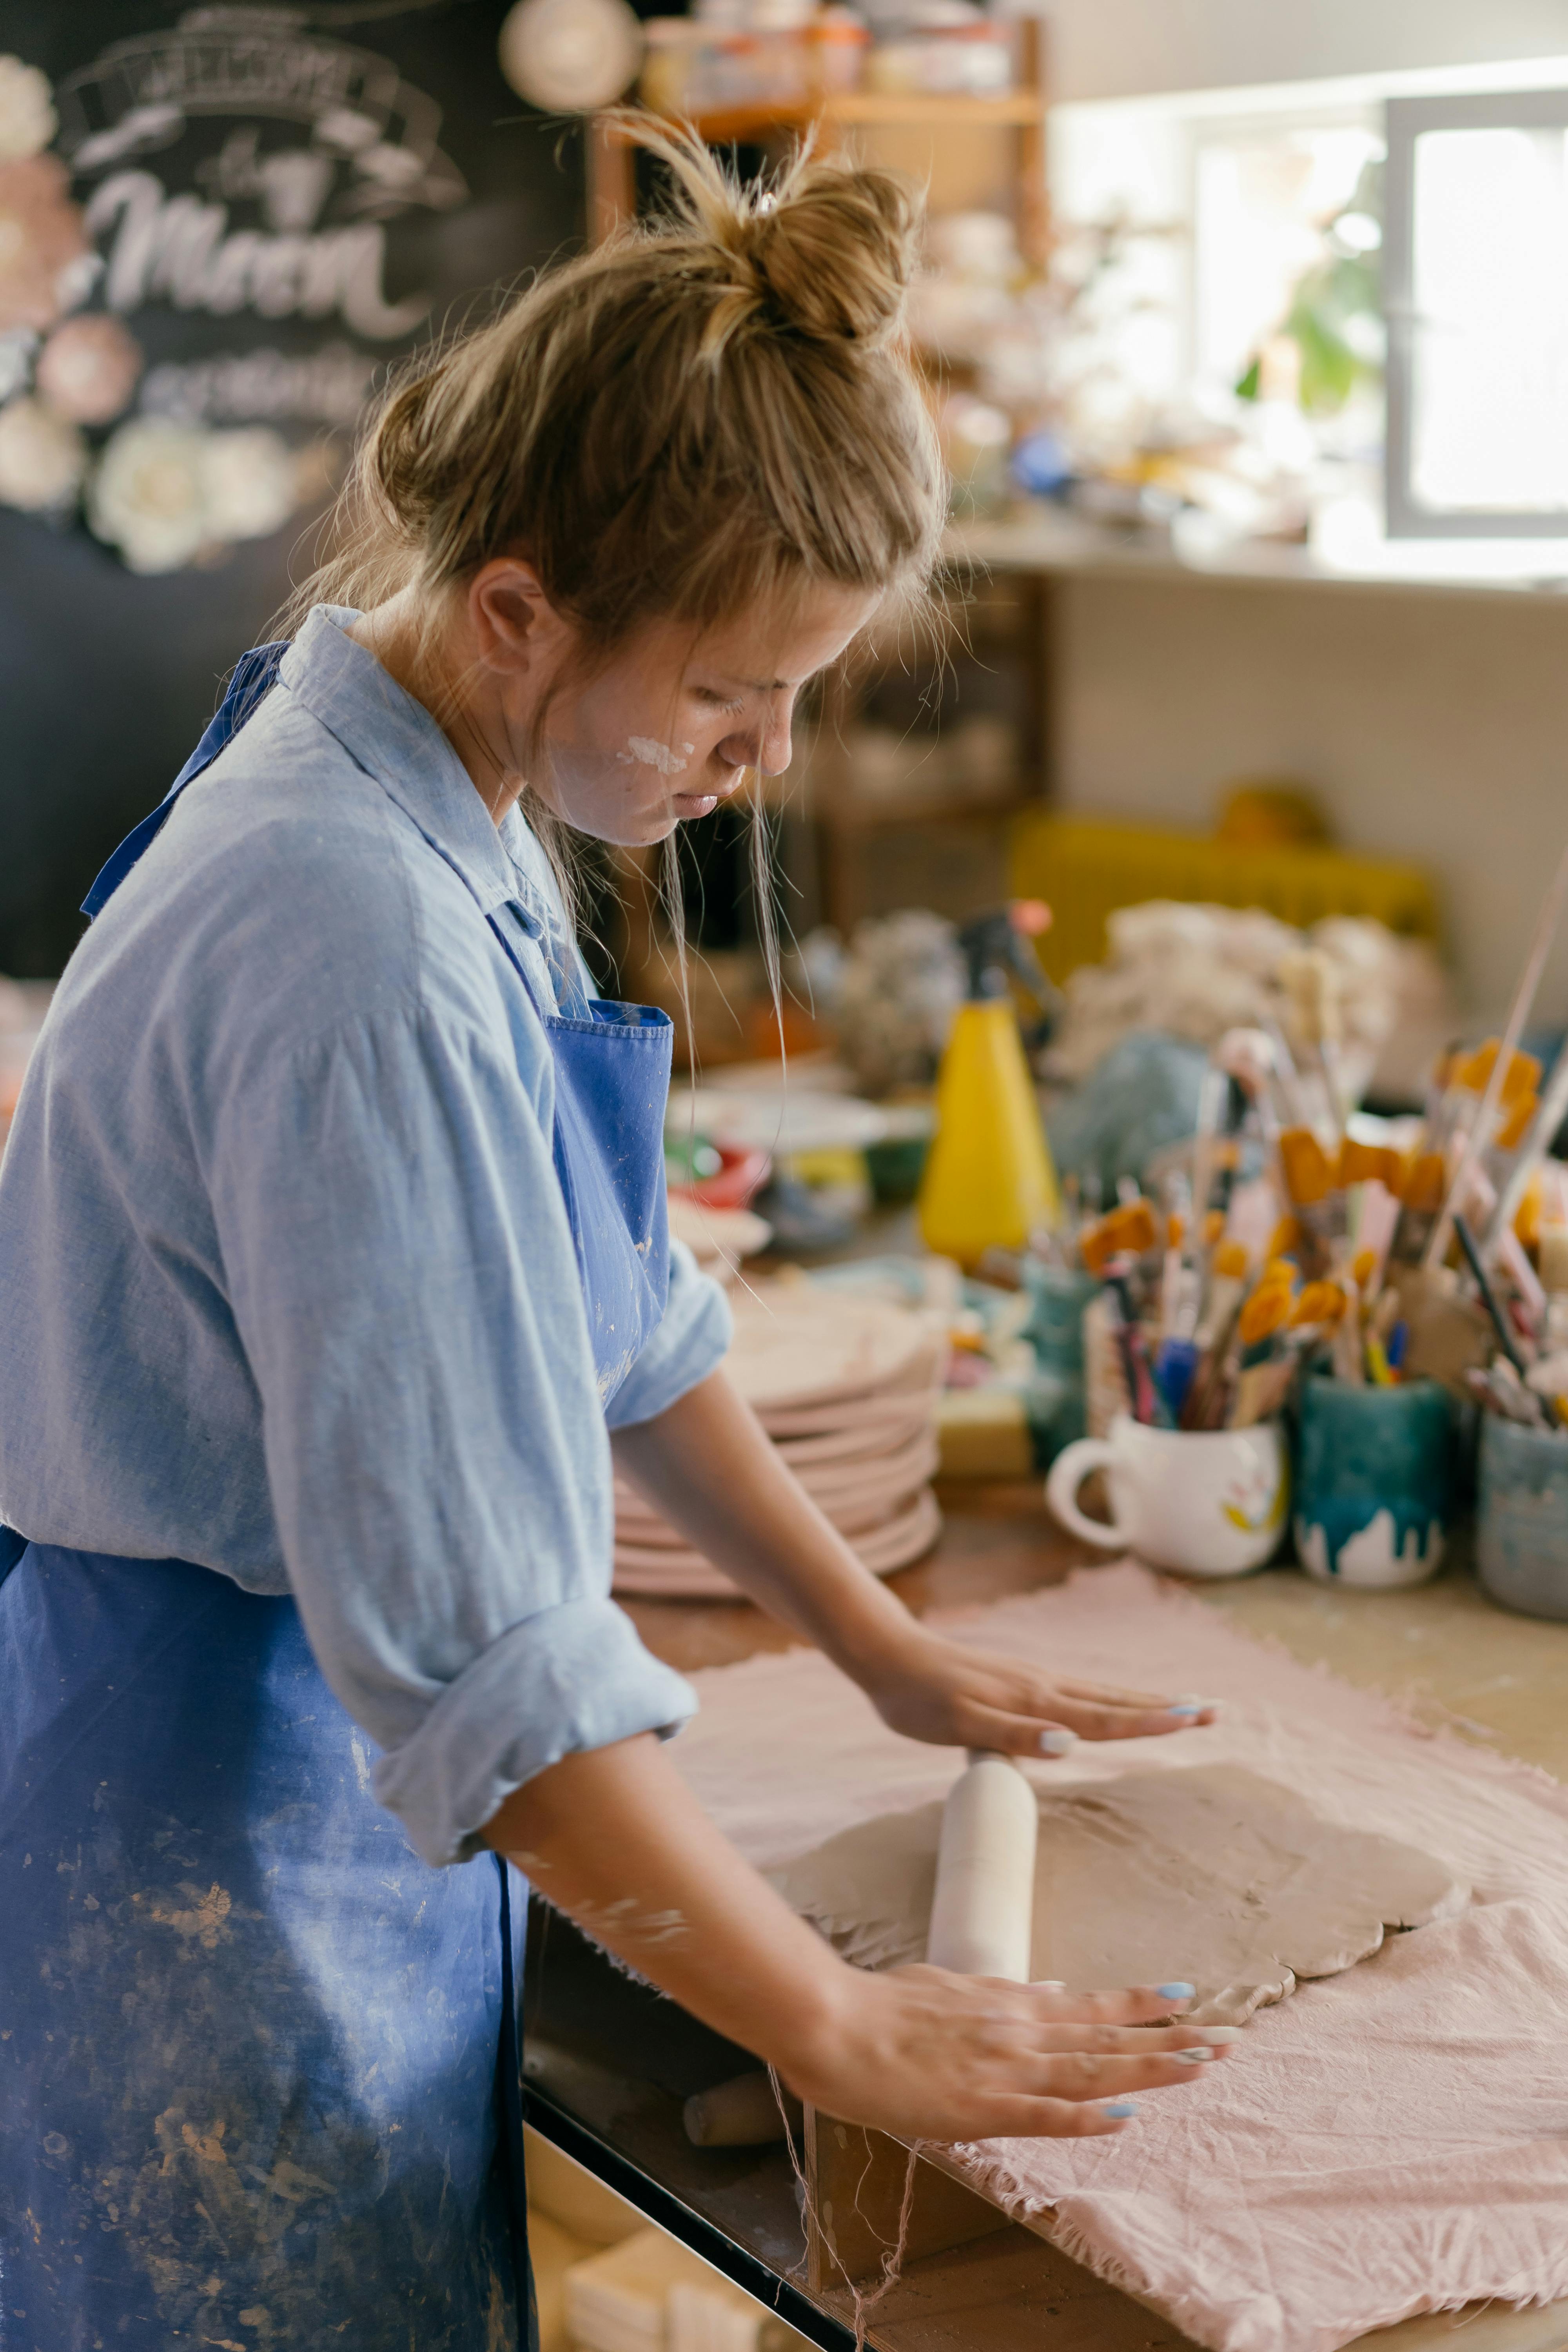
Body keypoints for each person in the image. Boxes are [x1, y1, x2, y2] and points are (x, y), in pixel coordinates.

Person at [0, 126, 1226, 2351]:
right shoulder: (348, 930)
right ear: (517, 613)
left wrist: (881, 1648)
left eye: (802, 697)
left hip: (292, 1759)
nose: (762, 758)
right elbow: (485, 1671)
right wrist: (845, 2037)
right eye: (732, 695)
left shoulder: (419, 744)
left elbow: (612, 1300)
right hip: (210, 1825)